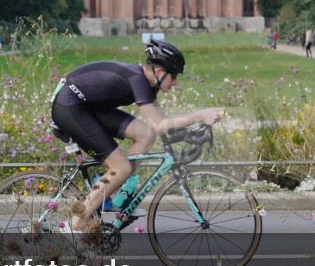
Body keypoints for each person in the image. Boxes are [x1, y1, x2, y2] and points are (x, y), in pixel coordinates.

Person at [51, 39, 223, 234]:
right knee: (121, 167)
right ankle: (76, 224)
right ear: (159, 72)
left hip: (88, 107)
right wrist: (199, 115)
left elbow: (160, 124)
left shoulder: (150, 84)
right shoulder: (138, 79)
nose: (176, 82)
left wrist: (196, 125)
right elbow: (161, 125)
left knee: (145, 134)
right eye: (174, 76)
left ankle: (110, 193)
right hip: (69, 107)